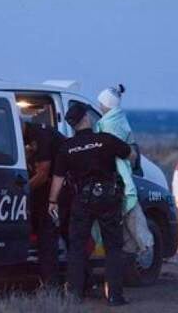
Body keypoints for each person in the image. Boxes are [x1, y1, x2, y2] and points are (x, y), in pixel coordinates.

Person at [48, 103, 133, 306]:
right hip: (108, 198)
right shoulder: (105, 140)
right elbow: (130, 154)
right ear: (86, 118)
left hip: (83, 200)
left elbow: (58, 179)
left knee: (77, 247)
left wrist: (52, 201)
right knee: (113, 247)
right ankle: (114, 296)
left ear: (72, 124)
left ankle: (75, 295)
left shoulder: (67, 148)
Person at [93, 85, 153, 256]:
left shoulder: (108, 124)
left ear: (106, 105)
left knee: (129, 213)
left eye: (101, 103)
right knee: (127, 212)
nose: (99, 106)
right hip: (122, 172)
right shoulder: (120, 120)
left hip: (116, 174)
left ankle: (143, 244)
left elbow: (111, 150)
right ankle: (135, 247)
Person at [22, 121, 66, 287]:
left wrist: (21, 190)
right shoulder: (30, 137)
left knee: (48, 236)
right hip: (48, 190)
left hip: (59, 190)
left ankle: (51, 284)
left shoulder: (40, 135)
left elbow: (42, 174)